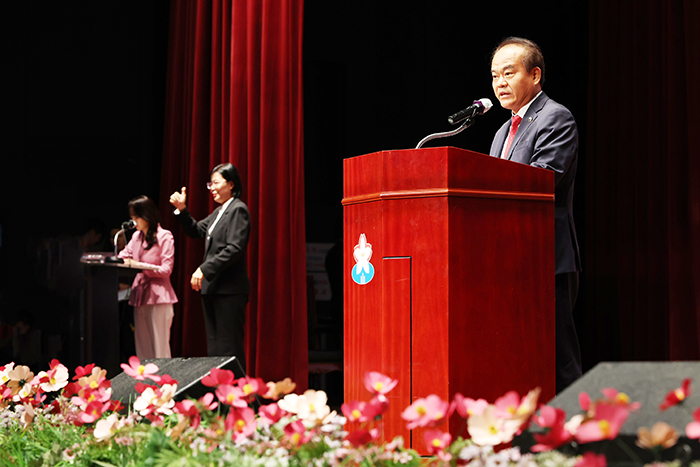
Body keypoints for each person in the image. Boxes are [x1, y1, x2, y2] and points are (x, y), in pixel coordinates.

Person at [488, 37, 582, 392]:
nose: (499, 83)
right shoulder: (502, 131)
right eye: (495, 75)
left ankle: (578, 435)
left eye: (508, 73)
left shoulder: (555, 117)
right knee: (521, 352)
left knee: (558, 354)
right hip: (511, 257)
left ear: (535, 74)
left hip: (547, 256)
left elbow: (544, 179)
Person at [169, 163, 251, 370]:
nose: (212, 188)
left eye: (216, 183)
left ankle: (237, 397)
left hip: (230, 290)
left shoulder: (238, 209)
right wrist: (182, 210)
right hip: (214, 289)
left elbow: (234, 248)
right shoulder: (219, 212)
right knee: (215, 349)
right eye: (210, 184)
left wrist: (204, 268)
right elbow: (196, 230)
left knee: (228, 348)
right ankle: (219, 397)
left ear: (231, 184)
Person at [118, 196, 178, 359]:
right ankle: (145, 384)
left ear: (147, 215)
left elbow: (166, 269)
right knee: (142, 348)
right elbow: (123, 256)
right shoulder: (136, 237)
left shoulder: (165, 236)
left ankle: (165, 383)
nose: (134, 221)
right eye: (132, 217)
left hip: (159, 296)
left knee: (159, 348)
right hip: (140, 295)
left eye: (136, 217)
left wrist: (141, 266)